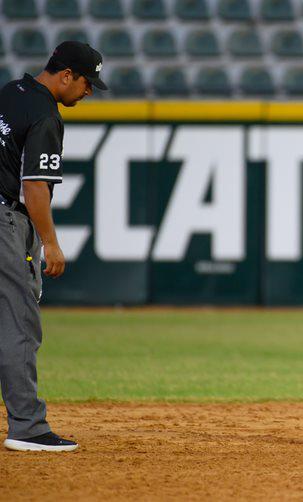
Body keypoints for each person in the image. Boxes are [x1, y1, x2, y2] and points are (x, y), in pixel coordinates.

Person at [0, 41, 107, 452]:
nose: (89, 91)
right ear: (66, 75)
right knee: (18, 322)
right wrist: (51, 243)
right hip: (6, 218)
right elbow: (34, 188)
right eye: (86, 82)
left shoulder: (10, 91)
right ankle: (27, 427)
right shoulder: (46, 114)